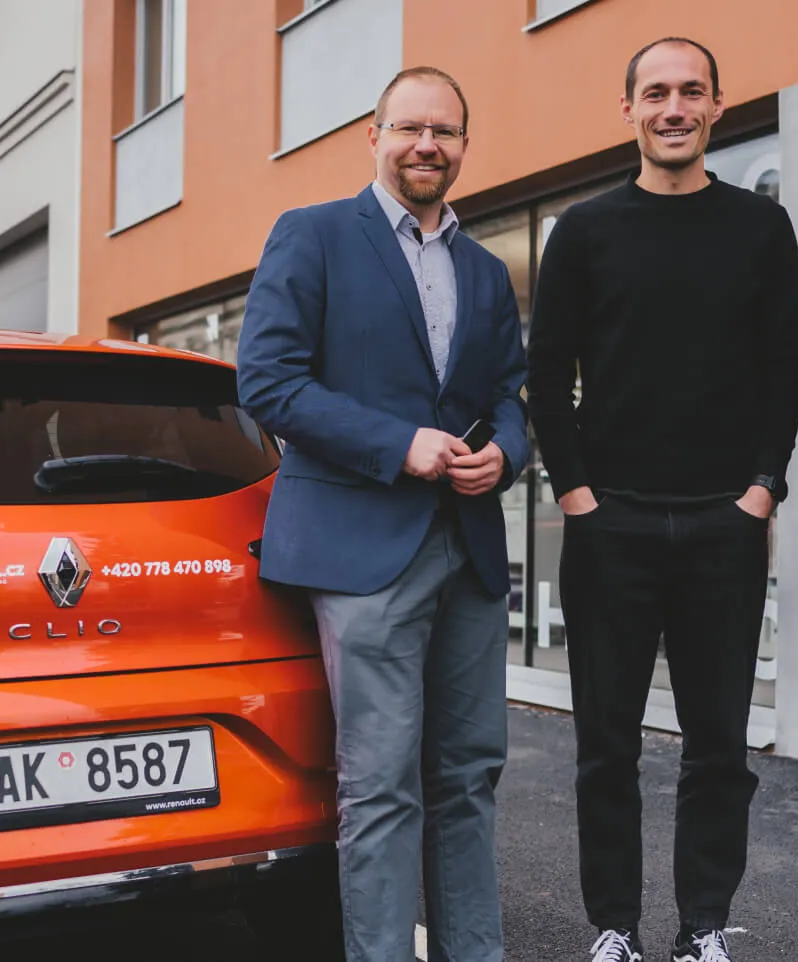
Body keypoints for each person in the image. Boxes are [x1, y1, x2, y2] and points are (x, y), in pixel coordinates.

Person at [235, 66, 528, 962]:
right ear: (375, 137)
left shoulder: (485, 270)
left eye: (444, 131)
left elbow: (510, 395)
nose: (426, 145)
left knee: (469, 778)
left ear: (464, 145)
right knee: (382, 786)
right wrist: (399, 444)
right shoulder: (314, 235)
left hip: (469, 549)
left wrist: (506, 453)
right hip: (360, 551)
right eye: (409, 128)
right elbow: (268, 382)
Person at [527, 37, 798, 962]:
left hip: (725, 524)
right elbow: (545, 373)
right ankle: (614, 927)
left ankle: (703, 928)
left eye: (692, 91)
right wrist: (576, 495)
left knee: (718, 747)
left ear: (718, 106)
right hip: (610, 524)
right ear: (630, 111)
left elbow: (787, 367)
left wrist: (763, 489)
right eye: (656, 93)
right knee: (606, 747)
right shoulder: (584, 230)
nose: (674, 107)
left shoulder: (760, 227)